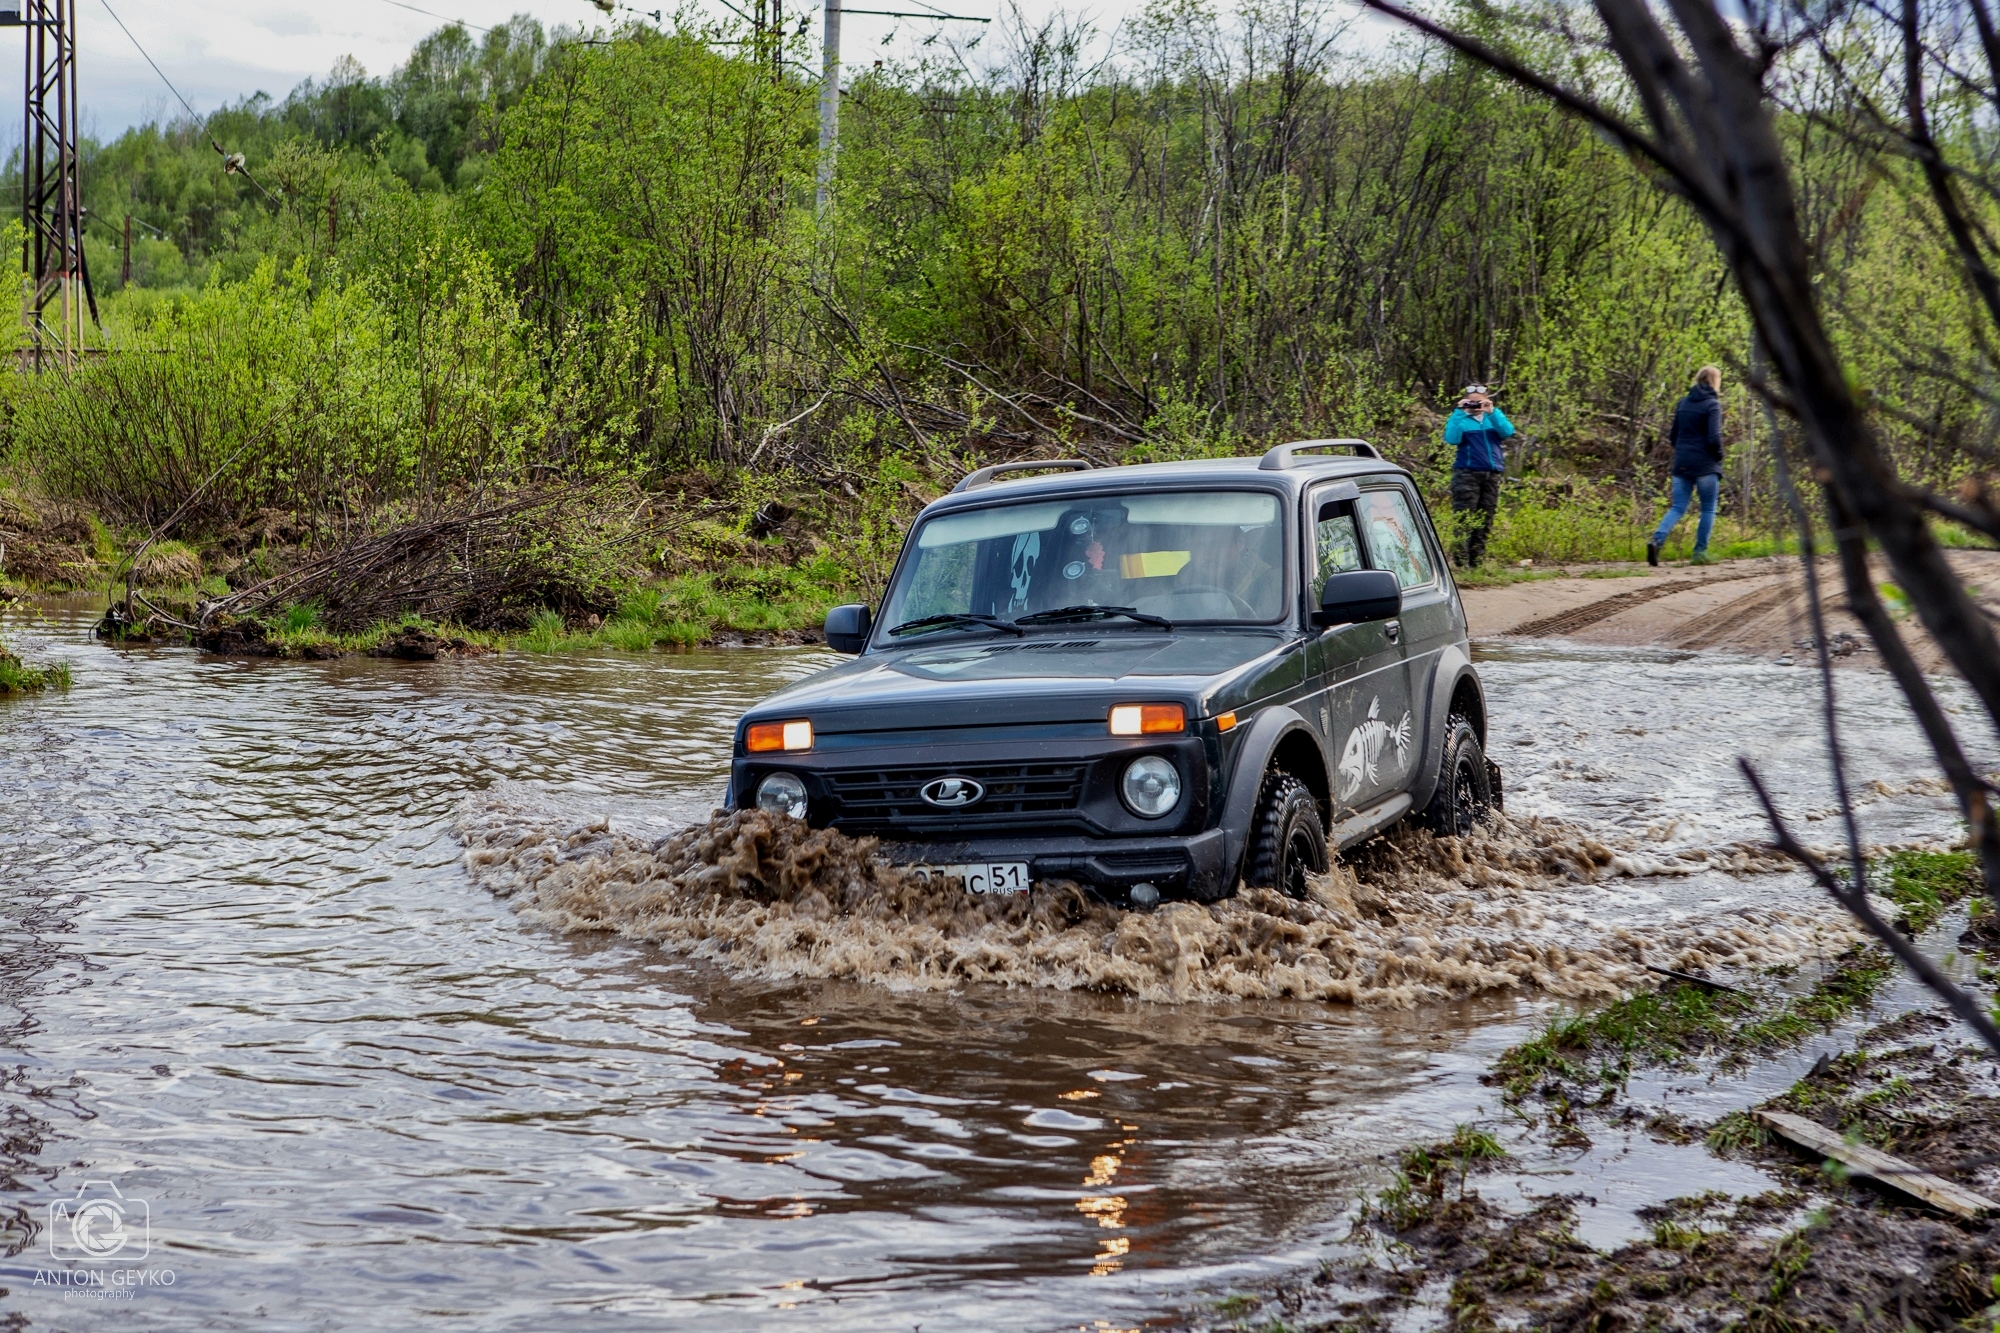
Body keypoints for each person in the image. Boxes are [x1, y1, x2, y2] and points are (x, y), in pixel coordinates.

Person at [1647, 366, 1724, 566]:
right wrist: (1718, 456)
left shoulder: (1683, 403)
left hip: (1682, 462)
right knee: (1708, 509)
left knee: (1678, 506)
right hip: (1706, 464)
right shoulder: (1712, 405)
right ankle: (1700, 552)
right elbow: (1714, 437)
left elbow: (1673, 436)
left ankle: (1657, 540)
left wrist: (1684, 451)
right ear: (1715, 382)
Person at [1444, 384, 1513, 568]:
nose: (1475, 406)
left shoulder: (1493, 417)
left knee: (1485, 518)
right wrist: (1459, 412)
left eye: (1478, 402)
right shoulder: (1460, 419)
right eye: (1471, 402)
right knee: (1464, 517)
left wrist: (1492, 412)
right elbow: (1452, 439)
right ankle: (1460, 561)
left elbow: (1507, 432)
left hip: (1491, 474)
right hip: (1467, 474)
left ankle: (1477, 563)